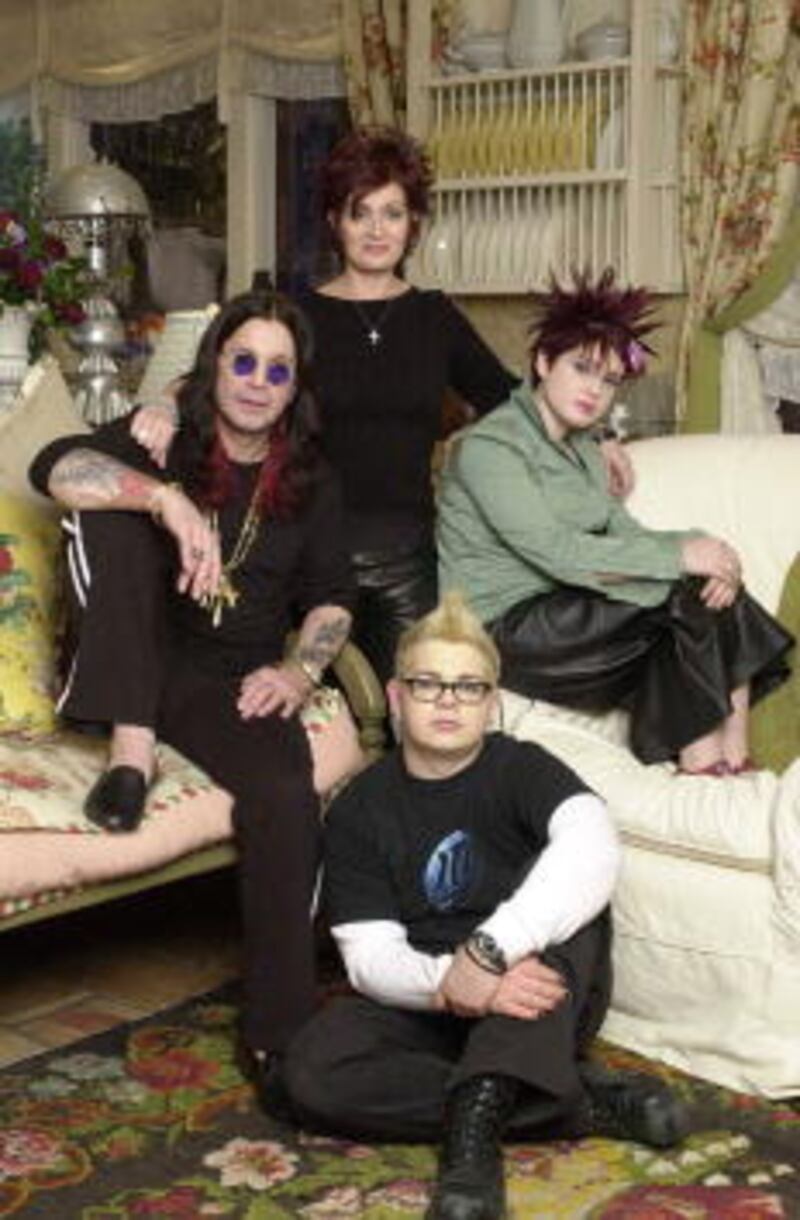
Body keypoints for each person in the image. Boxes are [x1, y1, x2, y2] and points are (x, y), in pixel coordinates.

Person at [130, 127, 633, 683]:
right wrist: (164, 408)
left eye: (392, 214)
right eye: (359, 212)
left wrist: (599, 437)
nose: (376, 230)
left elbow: (515, 399)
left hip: (408, 560)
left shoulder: (434, 317)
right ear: (334, 221)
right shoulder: (298, 315)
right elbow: (211, 379)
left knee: (414, 701)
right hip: (303, 551)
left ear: (413, 224)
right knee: (301, 703)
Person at [29, 289, 356, 1108]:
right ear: (215, 365)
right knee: (113, 507)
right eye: (243, 361)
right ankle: (130, 750)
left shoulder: (313, 479)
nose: (256, 383)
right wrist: (163, 496)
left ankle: (280, 1041)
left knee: (286, 794)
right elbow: (54, 470)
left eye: (277, 370)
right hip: (139, 654)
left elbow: (333, 597)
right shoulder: (167, 437)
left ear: (295, 388)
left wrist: (299, 673)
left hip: (234, 672)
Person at [282, 593, 687, 1220]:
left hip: (537, 994)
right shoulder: (359, 807)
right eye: (428, 684)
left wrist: (491, 952)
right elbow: (369, 958)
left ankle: (471, 1146)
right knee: (308, 1072)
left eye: (468, 687)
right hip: (434, 1002)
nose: (448, 701)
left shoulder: (522, 767)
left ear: (491, 703)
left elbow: (594, 843)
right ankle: (575, 1103)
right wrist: (455, 982)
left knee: (565, 892)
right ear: (396, 697)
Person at [438, 269, 794, 774]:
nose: (595, 390)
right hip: (502, 628)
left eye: (608, 380)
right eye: (582, 368)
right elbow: (558, 552)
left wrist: (708, 549)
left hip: (563, 608)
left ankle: (735, 757)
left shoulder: (583, 446)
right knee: (684, 594)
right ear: (543, 363)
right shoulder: (490, 448)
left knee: (714, 585)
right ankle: (700, 762)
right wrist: (680, 557)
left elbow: (621, 532)